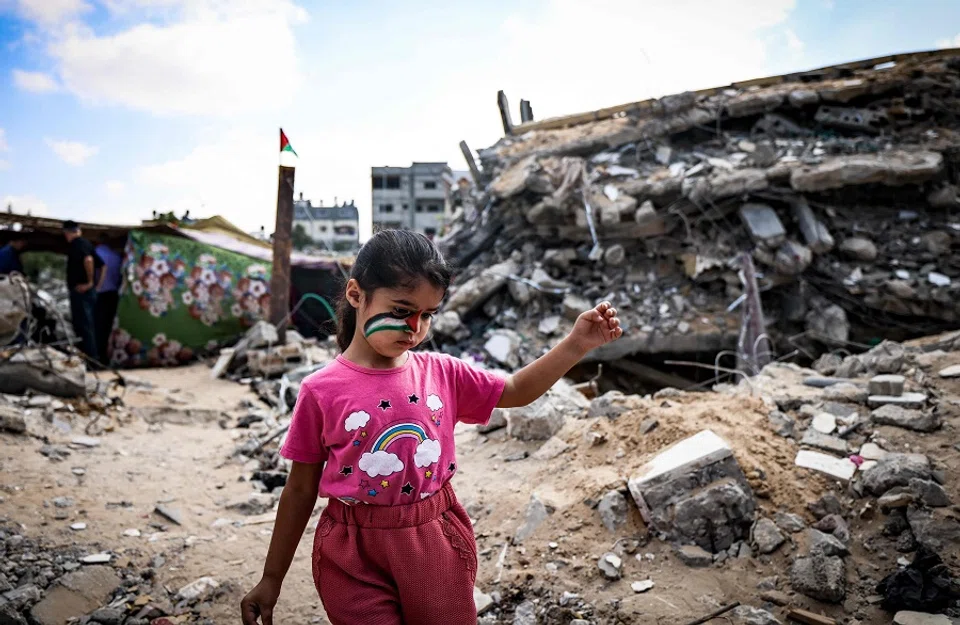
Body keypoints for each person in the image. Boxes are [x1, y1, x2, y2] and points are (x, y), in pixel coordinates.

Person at [240, 230, 623, 625]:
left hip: (434, 539)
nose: (415, 328)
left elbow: (515, 389)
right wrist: (272, 579)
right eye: (402, 310)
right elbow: (300, 489)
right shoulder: (320, 391)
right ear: (356, 295)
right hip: (351, 551)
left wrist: (576, 344)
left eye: (426, 315)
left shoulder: (441, 372)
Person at [63, 220, 103, 364]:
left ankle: (91, 359)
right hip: (87, 291)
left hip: (82, 292)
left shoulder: (78, 244)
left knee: (84, 326)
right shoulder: (86, 244)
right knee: (86, 324)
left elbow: (89, 260)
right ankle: (90, 357)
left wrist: (90, 283)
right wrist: (96, 285)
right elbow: (103, 265)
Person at [94, 234, 122, 366]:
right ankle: (106, 355)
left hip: (100, 294)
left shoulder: (96, 254)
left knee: (97, 326)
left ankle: (96, 356)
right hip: (113, 294)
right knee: (108, 326)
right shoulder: (117, 256)